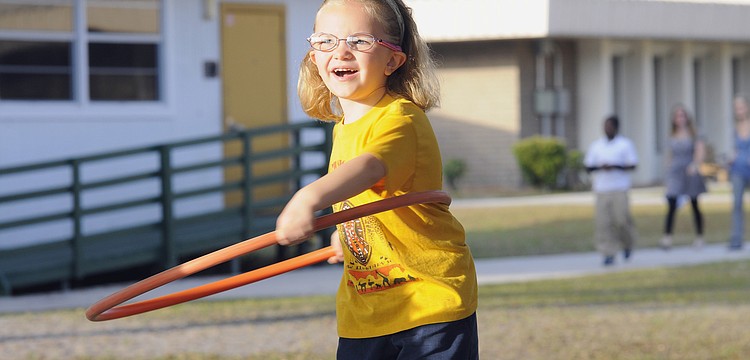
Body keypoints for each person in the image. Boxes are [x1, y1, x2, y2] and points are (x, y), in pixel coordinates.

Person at [275, 0, 479, 358]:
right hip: (367, 311)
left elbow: (372, 168)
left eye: (359, 42)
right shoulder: (344, 129)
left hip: (428, 300)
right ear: (313, 57)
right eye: (326, 41)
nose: (342, 52)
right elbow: (364, 198)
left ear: (392, 60)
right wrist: (347, 233)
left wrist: (307, 198)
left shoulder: (400, 119)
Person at [584, 115, 639, 266]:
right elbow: (588, 166)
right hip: (602, 189)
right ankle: (608, 253)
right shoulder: (597, 146)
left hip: (619, 188)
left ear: (616, 127)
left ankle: (628, 244)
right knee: (604, 223)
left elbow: (633, 165)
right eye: (605, 126)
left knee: (622, 220)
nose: (606, 129)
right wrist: (600, 167)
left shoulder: (624, 144)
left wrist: (615, 166)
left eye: (609, 126)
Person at [661, 104, 707, 250]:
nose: (680, 118)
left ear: (687, 118)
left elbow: (700, 150)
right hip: (675, 172)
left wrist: (695, 164)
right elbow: (669, 155)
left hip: (690, 171)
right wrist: (668, 171)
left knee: (694, 204)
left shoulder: (694, 134)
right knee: (672, 204)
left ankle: (699, 237)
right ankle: (667, 238)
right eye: (677, 116)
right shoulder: (671, 135)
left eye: (682, 115)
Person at [729, 94, 750, 251]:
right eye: (736, 108)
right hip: (738, 170)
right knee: (736, 205)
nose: (739, 110)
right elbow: (735, 149)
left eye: (741, 107)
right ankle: (736, 239)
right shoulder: (734, 128)